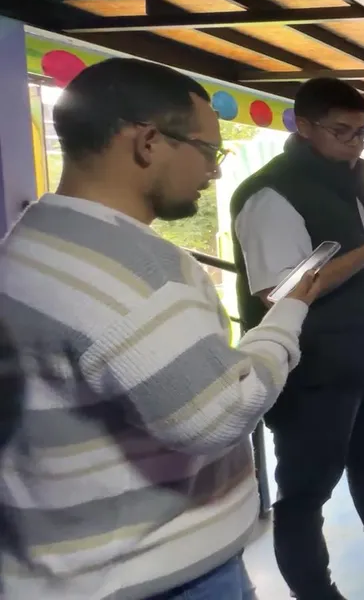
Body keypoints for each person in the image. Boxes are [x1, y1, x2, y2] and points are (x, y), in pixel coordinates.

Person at [0, 58, 319, 599]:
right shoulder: (131, 268)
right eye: (208, 151)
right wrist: (286, 319)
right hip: (153, 575)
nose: (213, 171)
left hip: (75, 566)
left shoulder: (34, 240)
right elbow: (217, 414)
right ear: (149, 142)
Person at [230, 78, 364, 599]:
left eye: (362, 133)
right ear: (303, 125)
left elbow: (357, 256)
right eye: (342, 132)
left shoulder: (347, 180)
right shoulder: (270, 195)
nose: (355, 143)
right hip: (311, 371)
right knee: (305, 493)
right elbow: (281, 292)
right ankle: (315, 592)